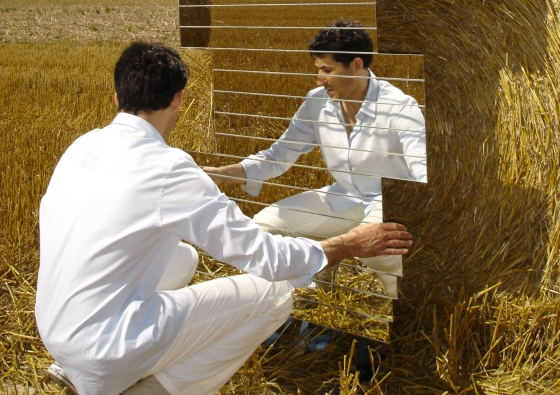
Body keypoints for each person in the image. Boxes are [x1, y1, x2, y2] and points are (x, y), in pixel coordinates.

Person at [35, 41, 413, 395]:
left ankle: (76, 367)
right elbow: (265, 255)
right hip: (104, 348)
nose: (318, 78)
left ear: (117, 96)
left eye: (326, 69)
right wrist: (348, 245)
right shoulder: (169, 169)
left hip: (56, 329)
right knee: (274, 292)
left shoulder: (82, 145)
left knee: (184, 257)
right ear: (179, 98)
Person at [204, 19, 426, 297]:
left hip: (387, 206)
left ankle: (405, 313)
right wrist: (227, 172)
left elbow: (422, 175)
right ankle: (312, 296)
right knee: (266, 228)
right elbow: (279, 155)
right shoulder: (317, 101)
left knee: (381, 253)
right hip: (341, 198)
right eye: (318, 70)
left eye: (327, 70)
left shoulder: (400, 108)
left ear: (357, 65)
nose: (319, 79)